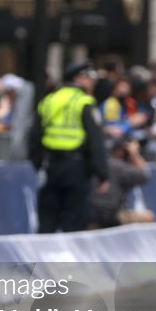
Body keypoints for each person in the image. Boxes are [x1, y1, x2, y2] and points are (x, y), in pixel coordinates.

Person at [29, 60, 109, 233]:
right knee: (74, 221)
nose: (93, 82)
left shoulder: (49, 100)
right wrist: (102, 174)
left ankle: (43, 258)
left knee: (47, 220)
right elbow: (96, 141)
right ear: (79, 78)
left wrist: (38, 164)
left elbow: (34, 137)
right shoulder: (85, 102)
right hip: (77, 168)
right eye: (90, 77)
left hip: (50, 166)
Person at [89, 138, 154, 228]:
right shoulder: (118, 166)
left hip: (88, 214)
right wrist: (135, 154)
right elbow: (145, 175)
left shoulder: (94, 163)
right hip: (110, 216)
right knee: (148, 217)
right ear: (119, 151)